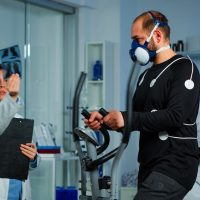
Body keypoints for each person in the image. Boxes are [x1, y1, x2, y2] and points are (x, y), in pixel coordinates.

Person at [84, 10, 200, 200]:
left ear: (158, 35)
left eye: (138, 39)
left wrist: (128, 118)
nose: (134, 45)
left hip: (175, 164)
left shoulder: (184, 67)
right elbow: (137, 117)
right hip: (149, 164)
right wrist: (105, 120)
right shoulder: (146, 75)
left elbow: (176, 115)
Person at [0, 65, 40, 200]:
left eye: (4, 79)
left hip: (19, 194)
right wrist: (11, 98)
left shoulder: (20, 121)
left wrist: (33, 158)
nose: (1, 84)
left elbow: (33, 164)